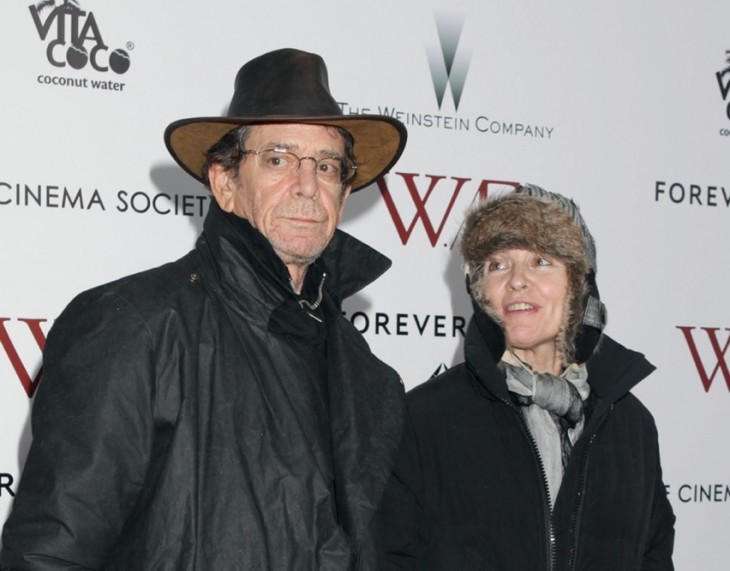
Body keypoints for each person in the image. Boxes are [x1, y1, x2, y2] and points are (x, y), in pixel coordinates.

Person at [0, 48, 408, 570]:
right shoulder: (133, 324)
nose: (307, 185)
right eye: (279, 159)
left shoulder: (363, 369)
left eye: (327, 165)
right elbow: (49, 555)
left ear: (342, 191)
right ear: (225, 183)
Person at [378, 184, 675, 570]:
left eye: (541, 260)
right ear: (478, 290)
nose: (516, 280)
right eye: (497, 265)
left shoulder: (631, 423)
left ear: (580, 282)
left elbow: (653, 557)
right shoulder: (424, 418)